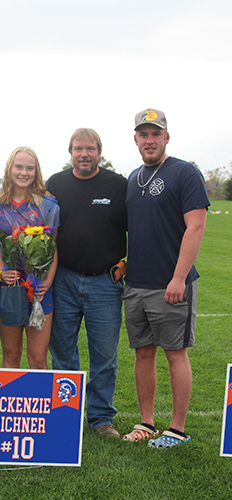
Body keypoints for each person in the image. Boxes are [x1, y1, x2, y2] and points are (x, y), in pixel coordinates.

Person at [122, 108, 210, 449]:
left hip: (172, 285)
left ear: (166, 138)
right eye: (143, 134)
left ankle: (177, 429)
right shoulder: (133, 177)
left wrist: (179, 277)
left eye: (155, 133)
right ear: (136, 140)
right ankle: (146, 422)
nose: (149, 140)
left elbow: (197, 226)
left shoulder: (184, 173)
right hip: (136, 285)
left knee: (175, 353)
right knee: (143, 354)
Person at [46, 128, 127, 438]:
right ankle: (66, 414)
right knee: (62, 352)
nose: (84, 154)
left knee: (104, 355)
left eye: (90, 149)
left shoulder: (117, 184)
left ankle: (101, 418)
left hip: (105, 283)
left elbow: (138, 227)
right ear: (70, 152)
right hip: (63, 278)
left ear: (99, 152)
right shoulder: (56, 183)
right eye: (78, 149)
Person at [0, 147, 60, 369]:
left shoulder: (48, 205)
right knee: (11, 355)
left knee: (38, 358)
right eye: (19, 166)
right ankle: (12, 402)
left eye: (30, 168)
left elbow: (53, 248)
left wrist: (47, 282)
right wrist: (1, 271)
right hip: (9, 290)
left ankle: (41, 404)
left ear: (36, 171)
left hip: (39, 290)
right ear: (10, 169)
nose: (24, 173)